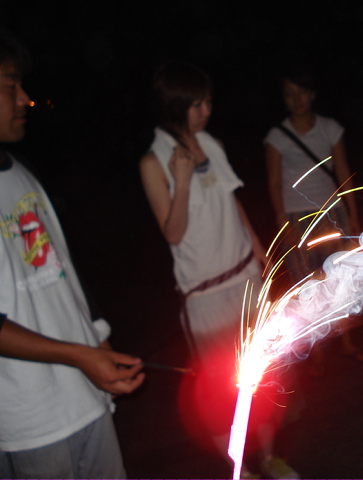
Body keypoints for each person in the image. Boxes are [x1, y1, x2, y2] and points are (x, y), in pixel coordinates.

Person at [139, 61, 297, 478]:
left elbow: (231, 201)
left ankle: (269, 457)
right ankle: (239, 469)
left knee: (263, 374)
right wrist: (182, 181)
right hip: (205, 294)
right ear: (173, 106)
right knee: (217, 390)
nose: (205, 111)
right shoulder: (154, 162)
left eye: (208, 102)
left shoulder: (212, 143)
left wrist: (259, 248)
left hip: (245, 277)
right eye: (196, 104)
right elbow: (173, 234)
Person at [0, 30, 144, 479]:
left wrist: (97, 340)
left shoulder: (22, 173)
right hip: (31, 421)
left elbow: (61, 268)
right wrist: (80, 356)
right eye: (10, 86)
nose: (24, 99)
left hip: (85, 397)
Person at [264, 69, 363, 372]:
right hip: (296, 216)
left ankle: (346, 340)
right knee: (305, 282)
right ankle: (316, 350)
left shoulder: (329, 128)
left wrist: (351, 213)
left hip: (330, 212)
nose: (296, 100)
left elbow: (343, 172)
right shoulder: (277, 137)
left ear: (312, 95)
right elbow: (273, 182)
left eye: (301, 93)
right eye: (289, 94)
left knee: (338, 277)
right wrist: (282, 221)